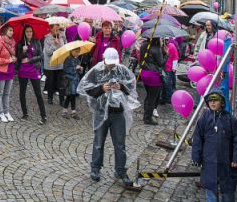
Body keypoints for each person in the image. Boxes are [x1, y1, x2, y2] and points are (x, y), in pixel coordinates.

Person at [78, 48, 141, 189]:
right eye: (109, 63)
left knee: (120, 144)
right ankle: (95, 168)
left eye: (114, 63)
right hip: (101, 112)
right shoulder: (96, 70)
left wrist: (122, 87)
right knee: (98, 142)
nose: (112, 66)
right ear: (103, 58)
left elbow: (131, 87)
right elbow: (85, 89)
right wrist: (101, 88)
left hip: (118, 113)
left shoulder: (122, 70)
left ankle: (120, 171)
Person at [192, 89, 237, 202]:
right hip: (209, 161)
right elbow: (197, 138)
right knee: (211, 190)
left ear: (222, 102)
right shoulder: (204, 119)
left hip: (227, 162)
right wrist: (196, 156)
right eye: (210, 100)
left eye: (215, 100)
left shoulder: (230, 120)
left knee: (228, 191)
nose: (212, 103)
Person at [16, 25, 46, 124]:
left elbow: (41, 56)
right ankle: (25, 113)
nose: (29, 33)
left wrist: (30, 60)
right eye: (27, 31)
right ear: (24, 32)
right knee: (22, 92)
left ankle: (43, 116)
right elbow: (18, 57)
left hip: (34, 70)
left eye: (30, 32)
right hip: (23, 71)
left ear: (32, 33)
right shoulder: (21, 43)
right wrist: (23, 51)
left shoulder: (37, 42)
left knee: (38, 93)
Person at [0, 24, 17, 123]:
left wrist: (14, 59)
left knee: (7, 93)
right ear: (5, 31)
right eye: (10, 30)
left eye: (12, 30)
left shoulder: (13, 42)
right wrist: (8, 60)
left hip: (10, 70)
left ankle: (6, 112)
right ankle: (0, 113)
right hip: (1, 71)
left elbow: (14, 56)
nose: (12, 32)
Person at [139, 38, 166, 125]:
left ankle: (146, 114)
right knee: (152, 97)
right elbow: (161, 63)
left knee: (149, 95)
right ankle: (147, 118)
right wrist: (166, 54)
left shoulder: (143, 45)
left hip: (144, 73)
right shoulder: (157, 48)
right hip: (153, 75)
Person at [43, 18, 67, 105]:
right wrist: (54, 44)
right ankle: (50, 98)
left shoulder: (62, 36)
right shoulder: (47, 38)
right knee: (50, 82)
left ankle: (62, 100)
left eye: (58, 26)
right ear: (51, 28)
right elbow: (48, 52)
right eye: (56, 26)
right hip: (50, 65)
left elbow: (65, 47)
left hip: (60, 64)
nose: (57, 27)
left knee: (61, 83)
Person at [160, 38, 179, 105]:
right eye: (164, 40)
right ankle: (163, 98)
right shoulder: (161, 46)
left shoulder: (171, 46)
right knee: (163, 84)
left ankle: (169, 98)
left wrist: (174, 67)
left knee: (167, 84)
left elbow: (175, 57)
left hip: (169, 68)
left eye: (167, 40)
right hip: (162, 67)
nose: (166, 41)